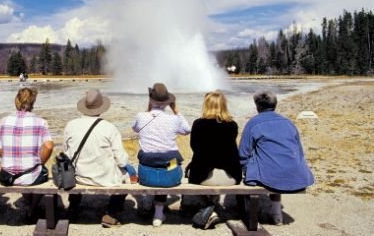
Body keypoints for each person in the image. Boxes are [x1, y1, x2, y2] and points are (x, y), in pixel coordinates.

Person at [239, 90, 314, 225]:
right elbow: (299, 152)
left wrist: (246, 171)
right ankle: (276, 213)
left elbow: (243, 153)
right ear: (275, 105)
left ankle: (252, 209)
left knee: (262, 163)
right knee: (274, 159)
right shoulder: (288, 123)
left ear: (257, 106)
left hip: (270, 175)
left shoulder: (253, 123)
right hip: (296, 174)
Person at [63, 89, 134, 228]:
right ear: (102, 108)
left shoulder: (71, 125)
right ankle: (111, 213)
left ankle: (73, 207)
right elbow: (121, 160)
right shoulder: (109, 128)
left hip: (77, 177)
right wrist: (128, 165)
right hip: (105, 178)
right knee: (129, 175)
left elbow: (66, 154)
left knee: (73, 166)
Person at [132, 82, 191, 227]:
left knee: (152, 160)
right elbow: (187, 130)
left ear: (150, 100)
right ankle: (158, 214)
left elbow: (135, 129)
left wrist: (148, 109)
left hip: (146, 173)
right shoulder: (174, 119)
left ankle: (147, 203)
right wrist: (176, 109)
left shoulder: (141, 116)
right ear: (168, 102)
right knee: (170, 162)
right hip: (170, 174)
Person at [185, 91, 242, 230]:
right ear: (224, 105)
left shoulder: (198, 124)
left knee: (192, 174)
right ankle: (214, 207)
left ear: (206, 105)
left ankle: (209, 206)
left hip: (204, 177)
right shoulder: (232, 125)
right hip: (230, 177)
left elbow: (194, 148)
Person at [0, 87, 54, 219]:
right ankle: (32, 208)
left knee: (29, 172)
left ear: (16, 101)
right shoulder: (41, 122)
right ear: (33, 102)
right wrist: (40, 163)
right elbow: (49, 147)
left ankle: (28, 202)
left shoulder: (3, 121)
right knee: (41, 172)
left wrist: (11, 159)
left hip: (8, 176)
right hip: (30, 176)